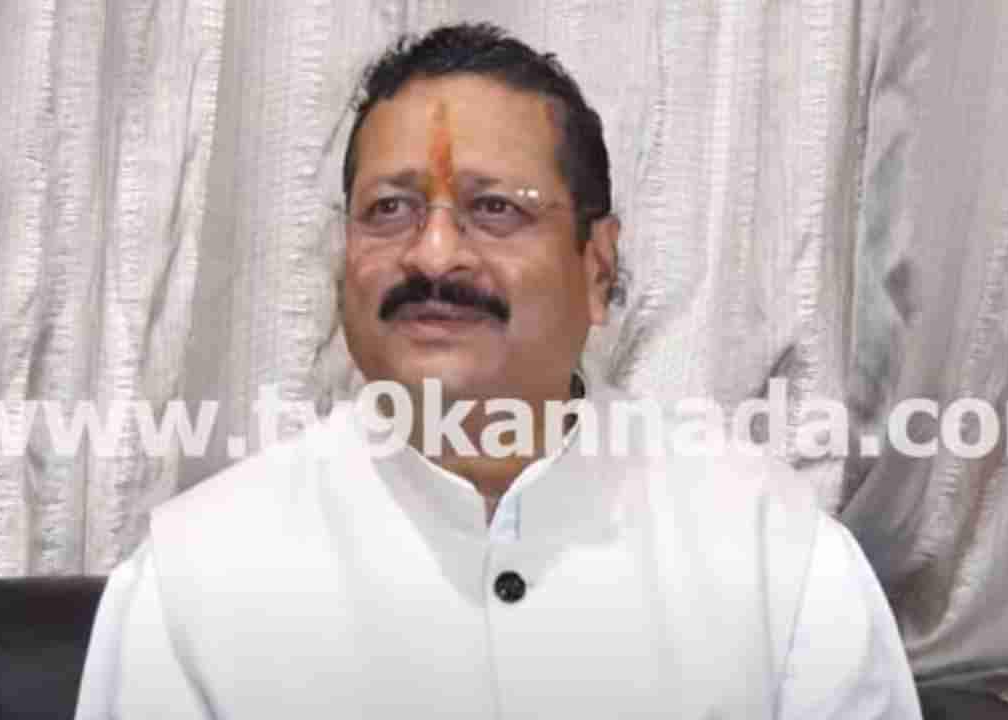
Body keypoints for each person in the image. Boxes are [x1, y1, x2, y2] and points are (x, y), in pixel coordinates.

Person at [74, 23, 921, 719]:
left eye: (495, 209)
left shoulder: (776, 561)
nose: (434, 254)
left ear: (597, 266)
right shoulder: (196, 580)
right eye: (390, 209)